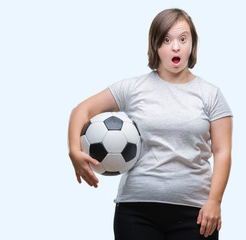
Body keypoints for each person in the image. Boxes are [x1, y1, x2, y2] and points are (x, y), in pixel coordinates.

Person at [68, 8, 233, 240]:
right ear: (156, 45)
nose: (175, 47)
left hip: (195, 213)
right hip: (136, 211)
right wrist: (74, 151)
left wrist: (214, 201)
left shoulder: (211, 95)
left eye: (183, 39)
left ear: (192, 44)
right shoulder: (132, 88)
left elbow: (222, 151)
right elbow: (81, 110)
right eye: (167, 39)